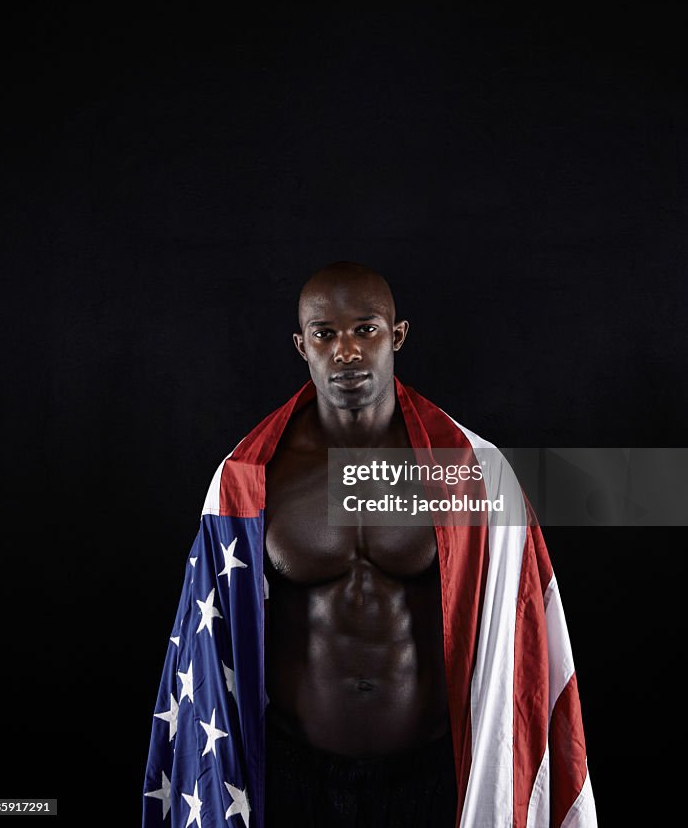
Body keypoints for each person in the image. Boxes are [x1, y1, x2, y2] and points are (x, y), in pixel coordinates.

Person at [142, 262, 598, 828]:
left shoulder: (471, 472)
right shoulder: (249, 479)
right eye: (325, 334)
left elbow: (520, 628)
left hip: (428, 775)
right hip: (296, 775)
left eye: (366, 330)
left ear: (397, 336)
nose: (347, 353)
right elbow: (210, 646)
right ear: (301, 344)